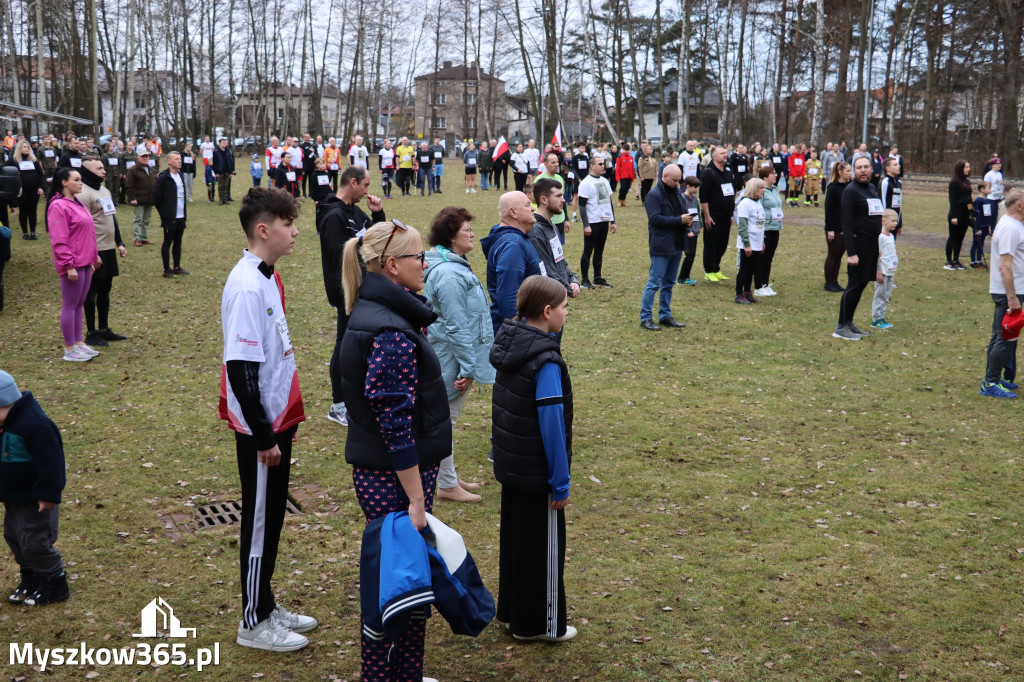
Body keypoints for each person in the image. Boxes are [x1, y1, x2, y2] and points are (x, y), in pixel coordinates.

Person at [338, 220, 451, 681]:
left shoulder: (384, 314)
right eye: (418, 258)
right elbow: (395, 426)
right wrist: (417, 498)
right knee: (396, 589)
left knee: (407, 580)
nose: (425, 265)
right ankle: (384, 675)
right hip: (394, 481)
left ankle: (404, 672)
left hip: (394, 477)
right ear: (391, 265)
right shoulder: (388, 330)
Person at [219, 187, 314, 652]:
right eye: (288, 224)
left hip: (278, 420)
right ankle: (252, 621)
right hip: (263, 430)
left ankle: (265, 600)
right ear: (264, 229)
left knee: (272, 515)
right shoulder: (246, 285)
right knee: (258, 522)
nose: (296, 231)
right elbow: (239, 369)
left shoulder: (268, 277)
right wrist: (263, 435)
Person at [490, 275, 575, 643]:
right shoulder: (546, 361)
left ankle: (513, 613)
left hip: (513, 468)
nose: (567, 313)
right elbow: (551, 425)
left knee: (517, 544)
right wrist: (560, 480)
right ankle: (541, 624)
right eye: (564, 307)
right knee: (543, 549)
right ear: (547, 311)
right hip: (538, 473)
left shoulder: (511, 344)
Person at [423, 207, 494, 504]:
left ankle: (447, 476)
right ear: (452, 237)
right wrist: (468, 366)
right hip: (452, 357)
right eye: (467, 229)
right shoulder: (450, 274)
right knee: (445, 421)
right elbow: (455, 325)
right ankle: (447, 485)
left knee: (445, 419)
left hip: (453, 354)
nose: (472, 233)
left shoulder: (453, 265)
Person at [318, 166, 385, 427]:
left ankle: (354, 397)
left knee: (356, 345)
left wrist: (378, 214)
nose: (368, 191)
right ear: (353, 182)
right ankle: (338, 405)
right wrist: (346, 290)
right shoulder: (333, 216)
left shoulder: (354, 212)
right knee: (344, 344)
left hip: (361, 287)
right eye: (366, 185)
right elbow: (337, 259)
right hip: (346, 290)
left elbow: (375, 239)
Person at [0, 369, 69, 606]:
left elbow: (52, 461)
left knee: (36, 542)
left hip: (36, 500)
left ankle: (55, 583)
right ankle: (30, 579)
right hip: (13, 497)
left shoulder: (34, 424)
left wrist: (49, 493)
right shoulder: (5, 422)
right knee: (15, 539)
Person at [46, 167, 103, 361]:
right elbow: (59, 239)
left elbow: (89, 232)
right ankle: (70, 348)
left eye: (81, 180)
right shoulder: (58, 206)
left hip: (86, 261)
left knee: (79, 304)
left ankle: (78, 343)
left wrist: (94, 256)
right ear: (64, 182)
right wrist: (68, 264)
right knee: (70, 304)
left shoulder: (77, 202)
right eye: (76, 180)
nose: (81, 183)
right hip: (73, 263)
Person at [77, 157, 128, 348]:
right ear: (88, 171)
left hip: (108, 248)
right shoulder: (84, 193)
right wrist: (91, 251)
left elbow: (111, 217)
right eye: (99, 168)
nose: (104, 171)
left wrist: (119, 242)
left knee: (106, 289)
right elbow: (82, 225)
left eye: (103, 167)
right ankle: (91, 332)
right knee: (91, 291)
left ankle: (104, 329)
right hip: (94, 250)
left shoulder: (104, 190)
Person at [833, 156, 883, 340]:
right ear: (854, 170)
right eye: (859, 167)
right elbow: (846, 223)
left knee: (862, 284)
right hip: (858, 244)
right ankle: (841, 326)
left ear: (871, 169)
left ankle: (849, 322)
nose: (863, 170)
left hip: (872, 243)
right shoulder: (851, 191)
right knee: (853, 285)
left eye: (866, 167)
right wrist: (852, 252)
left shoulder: (871, 188)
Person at [980, 188, 1024, 398]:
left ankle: (995, 378)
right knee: (1003, 338)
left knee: (1000, 336)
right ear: (1020, 206)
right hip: (1008, 291)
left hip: (1011, 290)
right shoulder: (1010, 228)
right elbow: (1005, 265)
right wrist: (1012, 297)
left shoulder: (1012, 225)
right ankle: (990, 383)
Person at [481, 192, 542, 333]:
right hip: (523, 334)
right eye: (527, 205)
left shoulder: (517, 239)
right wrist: (523, 335)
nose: (533, 208)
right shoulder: (511, 245)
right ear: (513, 212)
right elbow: (509, 299)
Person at [639, 164, 690, 330]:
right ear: (665, 176)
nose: (677, 183)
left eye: (679, 180)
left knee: (669, 283)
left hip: (677, 243)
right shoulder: (653, 195)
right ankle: (646, 318)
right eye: (675, 180)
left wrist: (688, 220)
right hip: (661, 245)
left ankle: (665, 315)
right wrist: (680, 220)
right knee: (654, 283)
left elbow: (681, 212)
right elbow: (655, 219)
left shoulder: (676, 192)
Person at [529, 179, 581, 318]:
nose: (563, 200)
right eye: (558, 196)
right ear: (544, 200)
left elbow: (560, 260)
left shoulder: (552, 225)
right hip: (547, 304)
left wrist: (573, 279)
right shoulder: (536, 231)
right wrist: (567, 288)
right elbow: (547, 268)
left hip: (558, 299)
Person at [576, 156, 617, 289]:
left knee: (599, 251)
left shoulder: (605, 181)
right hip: (592, 222)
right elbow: (581, 205)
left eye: (603, 164)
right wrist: (586, 225)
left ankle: (597, 278)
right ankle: (584, 279)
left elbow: (609, 202)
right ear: (592, 166)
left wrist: (613, 221)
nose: (602, 166)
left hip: (604, 221)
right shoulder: (586, 183)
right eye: (599, 164)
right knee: (588, 250)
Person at [699, 146, 735, 282]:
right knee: (711, 242)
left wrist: (731, 214)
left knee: (722, 243)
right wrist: (707, 216)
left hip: (726, 215)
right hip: (713, 215)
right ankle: (709, 271)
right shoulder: (708, 172)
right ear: (714, 156)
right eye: (722, 153)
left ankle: (716, 268)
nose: (725, 155)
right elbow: (703, 196)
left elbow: (730, 193)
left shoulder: (727, 172)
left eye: (726, 153)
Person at [153, 151, 190, 278]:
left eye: (180, 159)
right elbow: (157, 198)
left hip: (181, 216)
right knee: (167, 242)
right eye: (176, 159)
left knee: (178, 242)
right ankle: (166, 269)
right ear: (169, 161)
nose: (179, 161)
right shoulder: (164, 177)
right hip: (169, 216)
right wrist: (163, 213)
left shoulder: (180, 176)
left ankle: (177, 267)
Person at [734, 177, 766, 304]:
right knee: (744, 269)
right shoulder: (745, 203)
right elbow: (742, 226)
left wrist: (762, 241)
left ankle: (748, 292)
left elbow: (760, 223)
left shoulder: (758, 202)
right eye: (761, 188)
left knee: (752, 269)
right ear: (753, 189)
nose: (763, 190)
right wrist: (747, 244)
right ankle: (739, 293)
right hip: (748, 243)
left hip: (757, 242)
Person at [754, 165, 783, 297]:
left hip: (775, 228)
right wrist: (760, 229)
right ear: (765, 177)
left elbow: (778, 208)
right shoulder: (762, 191)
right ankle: (758, 286)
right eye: (773, 174)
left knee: (769, 257)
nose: (775, 175)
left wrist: (779, 226)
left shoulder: (775, 189)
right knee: (762, 257)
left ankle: (765, 284)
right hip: (765, 228)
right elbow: (758, 210)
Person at [823, 162, 852, 292]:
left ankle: (835, 281)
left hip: (845, 227)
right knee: (833, 254)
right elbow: (828, 210)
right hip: (834, 227)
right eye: (848, 171)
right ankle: (829, 282)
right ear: (840, 173)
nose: (850, 173)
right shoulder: (833, 188)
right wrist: (830, 229)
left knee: (839, 255)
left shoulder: (849, 187)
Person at [8, 141, 44, 240]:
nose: (27, 148)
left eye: (28, 147)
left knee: (33, 210)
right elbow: (6, 170)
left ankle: (33, 232)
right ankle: (25, 233)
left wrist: (41, 187)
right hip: (21, 190)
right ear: (19, 148)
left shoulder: (34, 160)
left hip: (34, 189)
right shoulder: (14, 161)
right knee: (23, 211)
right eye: (24, 147)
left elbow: (40, 175)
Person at [871, 209, 899, 330]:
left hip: (890, 270)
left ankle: (881, 316)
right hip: (882, 271)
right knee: (880, 294)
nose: (896, 223)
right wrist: (878, 271)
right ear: (883, 221)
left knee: (886, 295)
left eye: (896, 220)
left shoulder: (891, 236)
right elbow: (877, 255)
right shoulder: (880, 237)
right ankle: (876, 319)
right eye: (893, 221)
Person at [944, 160, 973, 270]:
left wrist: (972, 212)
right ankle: (948, 261)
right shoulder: (954, 182)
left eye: (969, 166)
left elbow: (969, 198)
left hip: (966, 213)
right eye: (966, 167)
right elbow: (953, 200)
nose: (969, 169)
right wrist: (954, 216)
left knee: (960, 238)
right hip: (956, 213)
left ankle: (956, 260)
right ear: (960, 168)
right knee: (953, 237)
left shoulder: (967, 182)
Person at [675, 175, 703, 286]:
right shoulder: (682, 198)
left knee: (692, 254)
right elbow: (682, 215)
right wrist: (688, 231)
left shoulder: (695, 198)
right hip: (688, 232)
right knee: (689, 254)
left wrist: (699, 225)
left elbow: (698, 212)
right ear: (687, 186)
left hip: (695, 231)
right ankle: (682, 278)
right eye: (694, 187)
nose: (696, 190)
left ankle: (685, 276)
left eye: (697, 187)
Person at [535, 153, 568, 244]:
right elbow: (535, 201)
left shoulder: (560, 178)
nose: (556, 164)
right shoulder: (539, 180)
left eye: (557, 162)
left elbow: (562, 199)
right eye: (553, 162)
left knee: (559, 249)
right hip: (545, 221)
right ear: (545, 164)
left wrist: (566, 219)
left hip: (559, 220)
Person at [125, 150, 156, 246]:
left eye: (147, 156)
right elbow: (129, 186)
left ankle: (144, 238)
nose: (145, 158)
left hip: (150, 199)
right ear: (138, 158)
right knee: (138, 219)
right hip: (139, 199)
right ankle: (137, 238)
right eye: (143, 156)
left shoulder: (151, 169)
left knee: (146, 220)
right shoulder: (132, 170)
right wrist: (132, 198)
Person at [972, 181, 999, 268]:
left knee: (982, 243)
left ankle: (979, 261)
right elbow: (977, 215)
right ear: (982, 190)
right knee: (976, 243)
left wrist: (989, 226)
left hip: (985, 225)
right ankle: (973, 262)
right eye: (988, 188)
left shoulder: (987, 200)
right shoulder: (978, 200)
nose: (990, 190)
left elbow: (988, 215)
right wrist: (978, 228)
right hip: (979, 226)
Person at [879, 157, 903, 236]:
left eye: (898, 164)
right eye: (895, 165)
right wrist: (884, 220)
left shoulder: (899, 182)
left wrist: (899, 223)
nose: (899, 166)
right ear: (888, 169)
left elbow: (900, 205)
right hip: (886, 221)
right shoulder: (885, 182)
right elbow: (882, 202)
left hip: (894, 220)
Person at [213, 137, 236, 205]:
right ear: (219, 143)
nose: (224, 144)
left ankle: (225, 199)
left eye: (225, 142)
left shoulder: (228, 152)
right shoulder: (216, 152)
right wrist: (216, 172)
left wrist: (231, 171)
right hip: (220, 171)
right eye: (223, 142)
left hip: (227, 171)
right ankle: (221, 199)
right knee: (220, 186)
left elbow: (230, 162)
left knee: (226, 186)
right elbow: (214, 163)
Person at [615, 143, 636, 207]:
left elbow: (632, 168)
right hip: (622, 176)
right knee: (623, 188)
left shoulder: (631, 158)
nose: (627, 151)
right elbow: (617, 168)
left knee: (627, 189)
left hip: (629, 176)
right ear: (623, 150)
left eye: (628, 150)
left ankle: (624, 200)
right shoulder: (620, 157)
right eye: (625, 150)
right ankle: (619, 200)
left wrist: (632, 176)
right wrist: (617, 177)